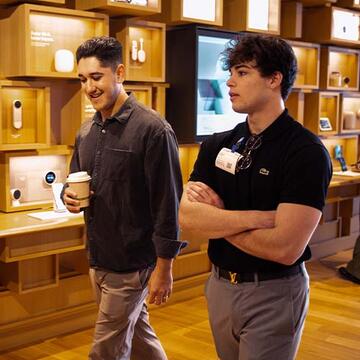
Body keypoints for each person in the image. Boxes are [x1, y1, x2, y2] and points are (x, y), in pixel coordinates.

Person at [179, 34, 332, 360]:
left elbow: (285, 249)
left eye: (243, 72)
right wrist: (259, 218)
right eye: (231, 72)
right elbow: (188, 217)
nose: (229, 81)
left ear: (274, 79)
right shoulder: (217, 143)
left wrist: (218, 219)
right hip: (219, 286)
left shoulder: (305, 152)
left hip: (274, 292)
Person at [63, 36, 184, 360]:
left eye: (96, 77)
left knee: (105, 350)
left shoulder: (153, 129)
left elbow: (167, 204)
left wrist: (164, 267)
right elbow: (74, 180)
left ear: (119, 72)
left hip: (132, 263)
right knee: (138, 334)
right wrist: (68, 197)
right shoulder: (86, 132)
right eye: (83, 79)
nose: (89, 87)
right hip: (98, 256)